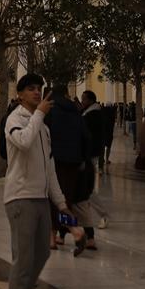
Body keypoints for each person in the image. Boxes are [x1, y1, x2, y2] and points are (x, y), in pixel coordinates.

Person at [3, 75, 81, 289]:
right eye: (31, 89)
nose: (37, 93)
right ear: (20, 93)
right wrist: (38, 116)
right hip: (20, 198)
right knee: (22, 260)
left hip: (39, 199)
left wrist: (61, 204)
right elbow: (23, 142)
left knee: (41, 255)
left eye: (39, 89)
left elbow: (50, 170)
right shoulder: (15, 120)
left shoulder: (43, 129)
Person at [44, 83, 95, 253]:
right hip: (74, 162)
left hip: (54, 161)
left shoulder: (50, 111)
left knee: (54, 201)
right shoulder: (75, 111)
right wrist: (83, 158)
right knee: (66, 200)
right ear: (66, 94)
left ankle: (55, 236)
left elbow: (44, 135)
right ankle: (76, 231)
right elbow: (86, 136)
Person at [81, 90, 105, 172]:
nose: (82, 101)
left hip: (90, 151)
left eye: (84, 99)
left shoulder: (92, 115)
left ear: (91, 101)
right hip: (91, 151)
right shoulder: (90, 112)